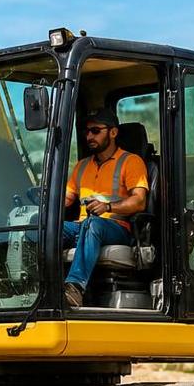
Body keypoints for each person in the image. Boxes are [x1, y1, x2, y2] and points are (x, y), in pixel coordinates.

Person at [63, 107, 149, 307]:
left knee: (93, 224)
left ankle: (75, 287)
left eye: (95, 131)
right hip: (83, 227)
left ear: (113, 132)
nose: (89, 136)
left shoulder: (131, 162)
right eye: (87, 131)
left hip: (117, 228)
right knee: (44, 230)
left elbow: (139, 201)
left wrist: (108, 206)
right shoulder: (82, 166)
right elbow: (66, 199)